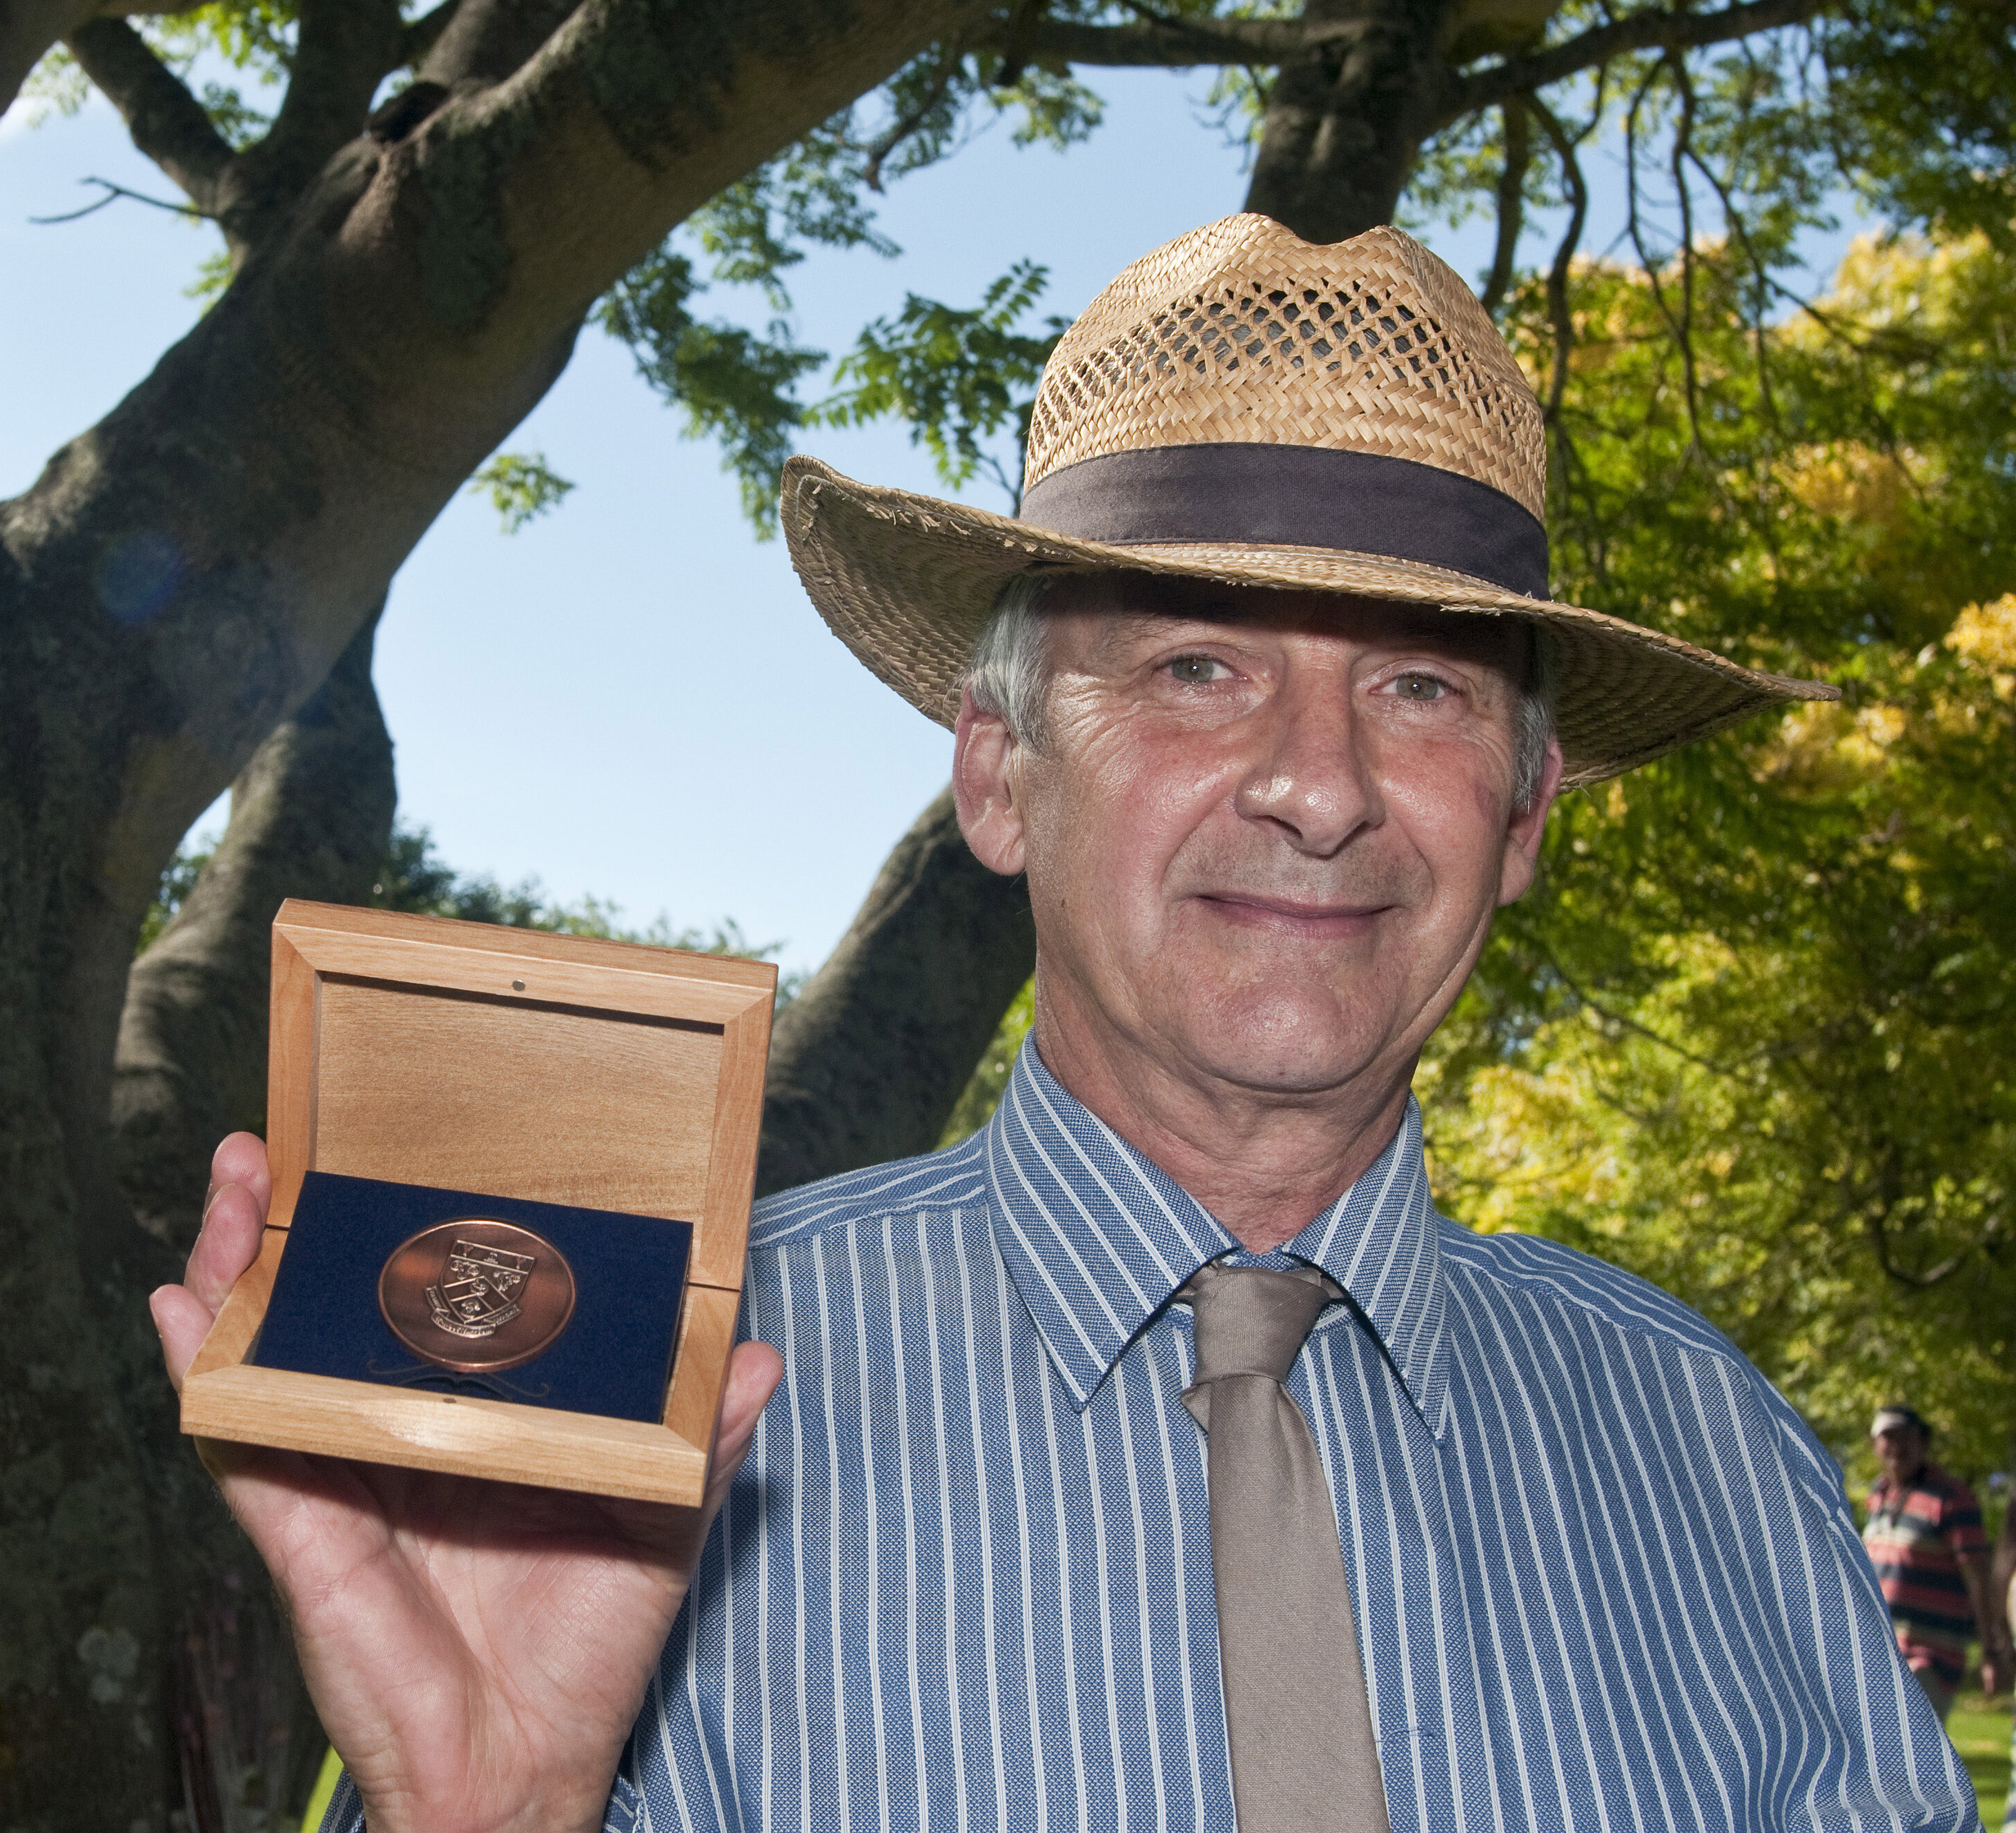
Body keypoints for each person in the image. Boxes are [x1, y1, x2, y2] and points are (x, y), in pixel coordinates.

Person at [154, 216, 1979, 1830]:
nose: (1316, 789)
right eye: (1196, 666)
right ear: (1000, 778)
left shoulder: (1701, 1445)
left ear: (1516, 822)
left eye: (1418, 689)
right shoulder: (650, 1402)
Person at [1863, 1403, 2008, 1723]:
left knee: (1906, 1754)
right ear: (1875, 1446)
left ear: (1923, 1443)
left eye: (1906, 1437)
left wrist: (1991, 1652)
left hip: (1931, 1659)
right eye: (1888, 1437)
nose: (1897, 1446)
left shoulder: (1952, 1498)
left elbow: (1977, 1577)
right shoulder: (1878, 1495)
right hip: (1880, 1656)